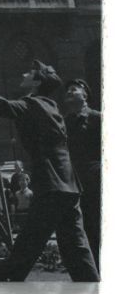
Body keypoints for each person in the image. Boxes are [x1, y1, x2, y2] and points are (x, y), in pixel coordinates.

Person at [0, 61, 99, 282]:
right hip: (68, 186)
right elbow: (6, 104)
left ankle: (5, 284)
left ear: (37, 81)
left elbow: (5, 106)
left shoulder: (34, 104)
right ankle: (92, 286)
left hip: (52, 186)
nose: (24, 72)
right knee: (76, 246)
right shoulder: (49, 105)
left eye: (30, 72)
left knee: (29, 242)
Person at [61, 78, 101, 269]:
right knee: (81, 229)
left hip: (96, 181)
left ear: (85, 95)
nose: (69, 92)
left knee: (98, 225)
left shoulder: (98, 118)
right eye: (67, 90)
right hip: (74, 183)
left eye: (74, 89)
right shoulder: (65, 122)